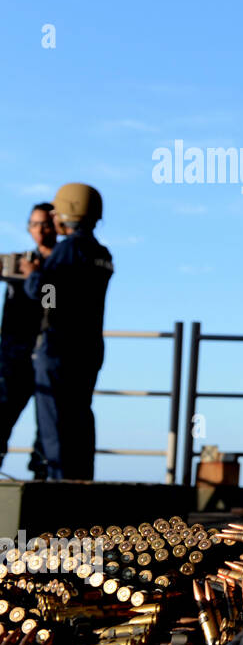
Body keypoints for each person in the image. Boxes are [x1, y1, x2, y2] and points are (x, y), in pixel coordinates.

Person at [20, 183, 113, 480]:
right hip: (88, 348)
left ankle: (59, 503)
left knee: (56, 428)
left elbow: (49, 295)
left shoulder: (67, 250)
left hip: (59, 348)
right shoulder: (101, 252)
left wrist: (33, 276)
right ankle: (81, 490)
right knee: (80, 422)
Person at [0, 203, 56, 478]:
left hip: (47, 354)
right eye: (34, 224)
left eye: (45, 224)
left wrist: (34, 275)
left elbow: (51, 302)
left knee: (46, 429)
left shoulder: (59, 264)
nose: (40, 230)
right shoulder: (20, 259)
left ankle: (40, 482)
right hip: (12, 355)